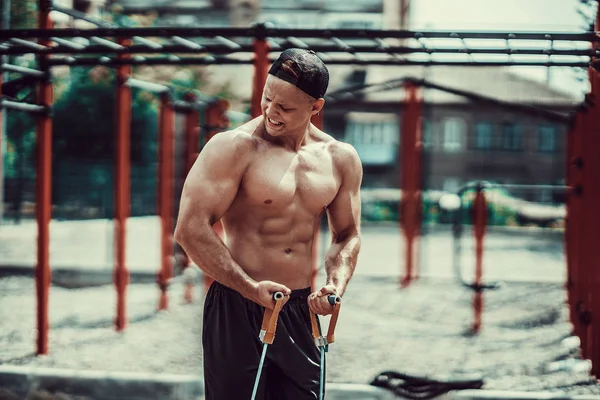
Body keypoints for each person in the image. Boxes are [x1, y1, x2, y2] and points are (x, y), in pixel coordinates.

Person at [174, 48, 363, 400]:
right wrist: (248, 287)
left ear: (315, 107)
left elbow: (348, 234)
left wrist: (334, 287)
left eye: (285, 107)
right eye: (267, 97)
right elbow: (190, 228)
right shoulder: (233, 148)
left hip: (299, 308)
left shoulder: (340, 159)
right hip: (237, 306)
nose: (271, 112)